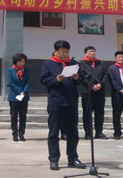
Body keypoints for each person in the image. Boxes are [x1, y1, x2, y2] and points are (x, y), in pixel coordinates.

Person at [40, 40, 86, 171]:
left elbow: (81, 80)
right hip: (56, 102)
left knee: (73, 132)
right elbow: (43, 80)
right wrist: (56, 79)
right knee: (54, 132)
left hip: (71, 102)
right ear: (55, 51)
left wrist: (77, 78)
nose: (64, 54)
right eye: (62, 52)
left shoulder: (73, 64)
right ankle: (54, 159)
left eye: (66, 52)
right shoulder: (48, 64)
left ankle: (73, 158)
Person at [78, 46, 108, 140]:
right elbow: (81, 77)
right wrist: (91, 85)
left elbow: (105, 75)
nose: (92, 53)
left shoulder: (100, 63)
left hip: (100, 92)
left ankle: (99, 132)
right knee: (87, 113)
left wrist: (100, 84)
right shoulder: (81, 64)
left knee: (99, 113)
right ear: (85, 53)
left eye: (94, 51)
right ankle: (88, 133)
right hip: (87, 92)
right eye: (90, 51)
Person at [7, 53, 30, 142]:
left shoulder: (26, 70)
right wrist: (19, 91)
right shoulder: (10, 70)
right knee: (14, 116)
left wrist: (24, 91)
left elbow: (28, 82)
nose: (22, 63)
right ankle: (15, 133)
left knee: (23, 116)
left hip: (24, 96)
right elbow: (10, 83)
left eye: (23, 62)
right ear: (16, 62)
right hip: (14, 96)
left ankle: (22, 133)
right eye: (20, 62)